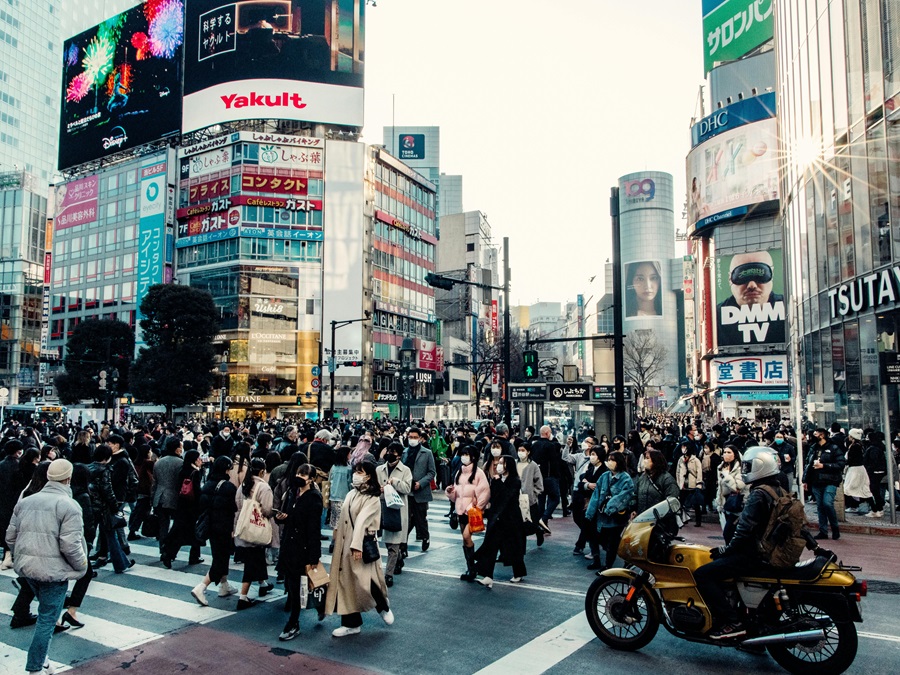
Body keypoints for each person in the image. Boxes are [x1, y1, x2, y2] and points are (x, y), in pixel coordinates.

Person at [696, 447, 812, 640]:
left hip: (754, 554)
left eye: (749, 466)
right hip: (770, 551)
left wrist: (726, 549)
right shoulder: (778, 489)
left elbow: (744, 530)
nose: (745, 469)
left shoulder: (758, 494)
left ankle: (732, 622)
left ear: (760, 466)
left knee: (703, 575)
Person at [5, 459, 87, 675]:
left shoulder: (26, 501)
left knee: (46, 615)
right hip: (54, 572)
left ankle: (44, 661)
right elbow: (71, 545)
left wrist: (19, 556)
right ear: (68, 478)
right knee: (47, 621)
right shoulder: (69, 505)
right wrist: (82, 565)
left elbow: (10, 536)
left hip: (29, 569)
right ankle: (35, 667)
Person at [325, 461, 394, 636]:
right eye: (356, 471)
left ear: (369, 476)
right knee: (345, 582)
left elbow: (363, 522)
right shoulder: (351, 493)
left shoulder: (372, 498)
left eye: (360, 472)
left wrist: (356, 546)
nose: (356, 474)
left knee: (366, 581)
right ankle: (351, 623)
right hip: (344, 545)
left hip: (361, 544)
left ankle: (382, 606)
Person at [275, 463, 323, 641]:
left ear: (311, 479)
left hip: (302, 547)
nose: (300, 476)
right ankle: (314, 608)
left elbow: (313, 529)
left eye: (303, 474)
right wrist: (281, 518)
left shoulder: (314, 498)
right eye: (298, 472)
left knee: (302, 585)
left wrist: (314, 556)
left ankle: (293, 622)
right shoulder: (292, 493)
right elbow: (288, 515)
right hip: (289, 545)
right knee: (294, 585)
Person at [190, 456, 238, 606]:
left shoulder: (207, 485)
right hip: (223, 527)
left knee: (219, 555)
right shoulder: (229, 487)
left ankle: (224, 585)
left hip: (210, 526)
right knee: (221, 559)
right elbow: (232, 510)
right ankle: (201, 586)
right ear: (226, 469)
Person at [474, 455, 527, 587]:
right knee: (491, 547)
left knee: (513, 547)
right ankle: (488, 576)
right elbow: (494, 498)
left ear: (508, 465)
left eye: (502, 463)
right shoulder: (496, 480)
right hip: (497, 519)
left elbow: (507, 497)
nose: (498, 465)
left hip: (511, 520)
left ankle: (518, 572)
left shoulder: (515, 480)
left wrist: (498, 482)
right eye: (498, 463)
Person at [716, 251, 786, 345]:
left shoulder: (788, 308)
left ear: (772, 275)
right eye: (742, 276)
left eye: (760, 274)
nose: (751, 285)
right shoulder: (715, 318)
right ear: (730, 279)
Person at [56, 463, 95, 630]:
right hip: (76, 542)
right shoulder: (83, 496)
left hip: (58, 540)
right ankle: (68, 612)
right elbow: (87, 523)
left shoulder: (63, 493)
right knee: (83, 574)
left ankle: (69, 611)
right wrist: (89, 543)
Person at [234, 457, 275, 609]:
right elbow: (267, 509)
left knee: (256, 558)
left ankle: (263, 583)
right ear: (262, 471)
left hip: (244, 527)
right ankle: (243, 596)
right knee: (252, 561)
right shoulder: (263, 488)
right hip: (257, 528)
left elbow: (238, 505)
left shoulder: (243, 485)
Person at [585, 451, 635, 572]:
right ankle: (599, 561)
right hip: (601, 518)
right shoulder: (604, 476)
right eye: (609, 459)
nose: (610, 462)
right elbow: (596, 495)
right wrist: (590, 513)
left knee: (613, 542)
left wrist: (608, 507)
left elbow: (623, 497)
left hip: (615, 517)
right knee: (600, 539)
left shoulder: (625, 478)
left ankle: (608, 566)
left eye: (613, 460)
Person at [446, 445, 490, 582]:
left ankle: (473, 565)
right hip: (460, 510)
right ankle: (471, 568)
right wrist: (450, 492)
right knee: (465, 540)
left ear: (473, 457)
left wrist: (477, 506)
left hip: (472, 511)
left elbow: (485, 492)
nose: (463, 457)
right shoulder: (460, 472)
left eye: (466, 454)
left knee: (466, 536)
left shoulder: (479, 473)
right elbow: (457, 494)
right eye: (462, 454)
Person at [376, 444, 412, 587]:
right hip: (383, 507)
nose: (391, 455)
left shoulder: (405, 470)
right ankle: (399, 557)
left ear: (399, 456)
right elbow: (375, 487)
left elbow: (407, 488)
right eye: (389, 452)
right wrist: (379, 489)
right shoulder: (380, 469)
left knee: (393, 545)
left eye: (394, 453)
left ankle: (388, 574)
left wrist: (394, 482)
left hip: (398, 509)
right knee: (387, 542)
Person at [803, 427, 845, 540]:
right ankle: (823, 531)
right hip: (816, 481)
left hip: (830, 480)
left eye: (815, 434)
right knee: (820, 506)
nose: (813, 437)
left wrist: (824, 465)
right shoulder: (813, 448)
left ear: (822, 435)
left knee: (827, 503)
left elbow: (841, 464)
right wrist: (805, 480)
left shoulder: (834, 448)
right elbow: (808, 464)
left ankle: (835, 528)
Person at [402, 427, 435, 553]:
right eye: (410, 437)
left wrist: (420, 483)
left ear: (420, 438)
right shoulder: (404, 453)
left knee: (420, 518)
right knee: (407, 519)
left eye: (415, 437)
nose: (413, 440)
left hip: (420, 491)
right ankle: (403, 544)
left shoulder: (427, 453)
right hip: (407, 490)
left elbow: (432, 472)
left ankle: (425, 536)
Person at [151, 440, 184, 559]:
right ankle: (169, 549)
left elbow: (154, 483)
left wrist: (152, 499)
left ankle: (162, 548)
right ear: (176, 449)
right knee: (176, 525)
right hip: (174, 497)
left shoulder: (159, 462)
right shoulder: (181, 463)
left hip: (159, 496)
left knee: (163, 526)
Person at [530, 425, 562, 534]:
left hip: (538, 477)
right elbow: (554, 462)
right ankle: (544, 519)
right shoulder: (550, 445)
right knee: (555, 498)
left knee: (541, 501)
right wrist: (557, 475)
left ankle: (541, 525)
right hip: (549, 477)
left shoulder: (534, 445)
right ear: (548, 433)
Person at [715, 446, 747, 543]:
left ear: (735, 454)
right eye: (724, 452)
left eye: (729, 452)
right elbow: (720, 487)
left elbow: (738, 487)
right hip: (724, 503)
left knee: (729, 533)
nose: (726, 454)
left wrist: (727, 476)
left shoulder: (740, 468)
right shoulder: (721, 467)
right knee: (727, 532)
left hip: (736, 504)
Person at [633, 449, 679, 516]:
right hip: (643, 519)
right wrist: (634, 509)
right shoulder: (643, 477)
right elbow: (636, 495)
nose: (644, 461)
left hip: (661, 521)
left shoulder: (666, 478)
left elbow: (672, 501)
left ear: (655, 461)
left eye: (647, 458)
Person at [516, 443, 544, 545]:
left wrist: (533, 494)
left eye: (523, 450)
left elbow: (539, 484)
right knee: (520, 525)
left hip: (529, 500)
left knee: (532, 522)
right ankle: (520, 549)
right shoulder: (514, 463)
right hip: (516, 498)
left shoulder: (533, 465)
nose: (520, 452)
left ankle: (538, 530)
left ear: (528, 452)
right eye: (519, 450)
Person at [327, 445, 353, 551]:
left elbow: (329, 481)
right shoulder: (349, 469)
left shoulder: (334, 467)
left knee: (335, 522)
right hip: (344, 497)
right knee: (342, 522)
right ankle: (337, 543)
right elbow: (350, 484)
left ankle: (334, 541)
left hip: (333, 497)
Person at [675, 440, 705, 527]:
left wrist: (699, 483)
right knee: (680, 503)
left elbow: (699, 472)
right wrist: (678, 483)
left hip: (693, 484)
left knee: (695, 503)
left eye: (684, 447)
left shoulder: (695, 460)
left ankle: (698, 521)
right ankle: (683, 519)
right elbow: (678, 472)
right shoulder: (681, 459)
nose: (682, 449)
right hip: (683, 484)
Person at [843, 429, 873, 515]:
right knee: (863, 489)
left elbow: (851, 459)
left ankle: (854, 506)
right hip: (857, 469)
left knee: (849, 488)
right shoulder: (858, 445)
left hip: (855, 470)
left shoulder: (854, 446)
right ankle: (873, 508)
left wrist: (844, 462)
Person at [863, 430, 888, 518]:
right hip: (878, 471)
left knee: (873, 490)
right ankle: (878, 508)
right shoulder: (879, 447)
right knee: (875, 490)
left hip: (874, 472)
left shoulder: (873, 448)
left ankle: (878, 508)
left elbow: (873, 461)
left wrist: (869, 470)